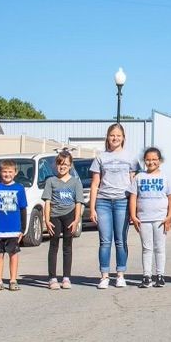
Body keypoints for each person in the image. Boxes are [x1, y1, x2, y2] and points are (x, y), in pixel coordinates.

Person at [88, 123, 139, 289]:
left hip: (122, 202)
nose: (115, 138)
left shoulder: (131, 157)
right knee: (105, 241)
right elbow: (95, 184)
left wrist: (134, 209)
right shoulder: (100, 158)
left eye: (118, 135)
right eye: (112, 135)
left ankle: (120, 274)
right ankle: (104, 275)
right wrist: (92, 207)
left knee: (121, 240)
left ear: (123, 137)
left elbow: (134, 184)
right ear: (107, 138)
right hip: (103, 202)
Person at [130, 147, 171, 288]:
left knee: (159, 247)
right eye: (148, 160)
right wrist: (133, 216)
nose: (151, 162)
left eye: (154, 159)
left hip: (160, 219)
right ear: (144, 161)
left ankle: (160, 275)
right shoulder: (139, 177)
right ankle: (146, 276)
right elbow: (133, 197)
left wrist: (169, 217)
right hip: (143, 218)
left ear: (160, 161)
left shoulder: (165, 177)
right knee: (146, 248)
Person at [42, 151, 83, 291]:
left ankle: (66, 277)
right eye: (60, 164)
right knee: (53, 246)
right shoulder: (51, 181)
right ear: (56, 165)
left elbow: (78, 202)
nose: (62, 167)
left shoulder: (75, 181)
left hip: (69, 215)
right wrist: (46, 220)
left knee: (67, 246)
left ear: (70, 165)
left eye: (65, 164)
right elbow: (47, 202)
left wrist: (76, 219)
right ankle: (52, 278)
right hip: (55, 216)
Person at [0, 159, 28, 292]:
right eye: (4, 172)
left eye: (10, 172)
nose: (7, 174)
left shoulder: (19, 188)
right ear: (0, 173)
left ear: (15, 173)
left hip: (14, 229)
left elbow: (23, 209)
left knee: (13, 254)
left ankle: (13, 280)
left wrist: (22, 229)